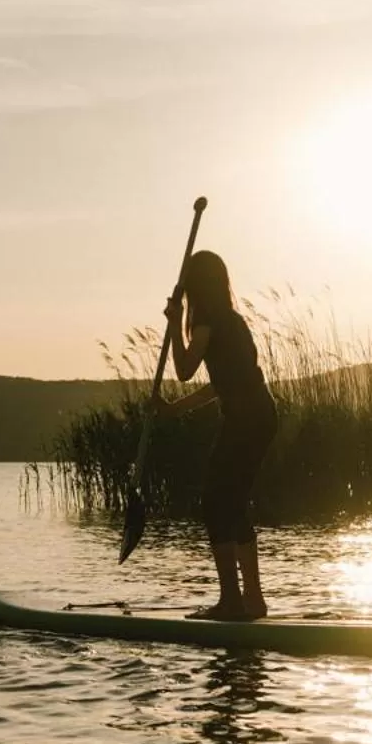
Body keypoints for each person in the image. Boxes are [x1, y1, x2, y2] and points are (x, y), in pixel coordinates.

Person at [149, 250, 278, 620]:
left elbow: (185, 370)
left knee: (214, 501)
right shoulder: (233, 321)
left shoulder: (206, 319)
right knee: (232, 502)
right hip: (261, 414)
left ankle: (231, 602)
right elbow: (219, 385)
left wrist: (174, 325)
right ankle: (252, 600)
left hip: (247, 419)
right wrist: (174, 410)